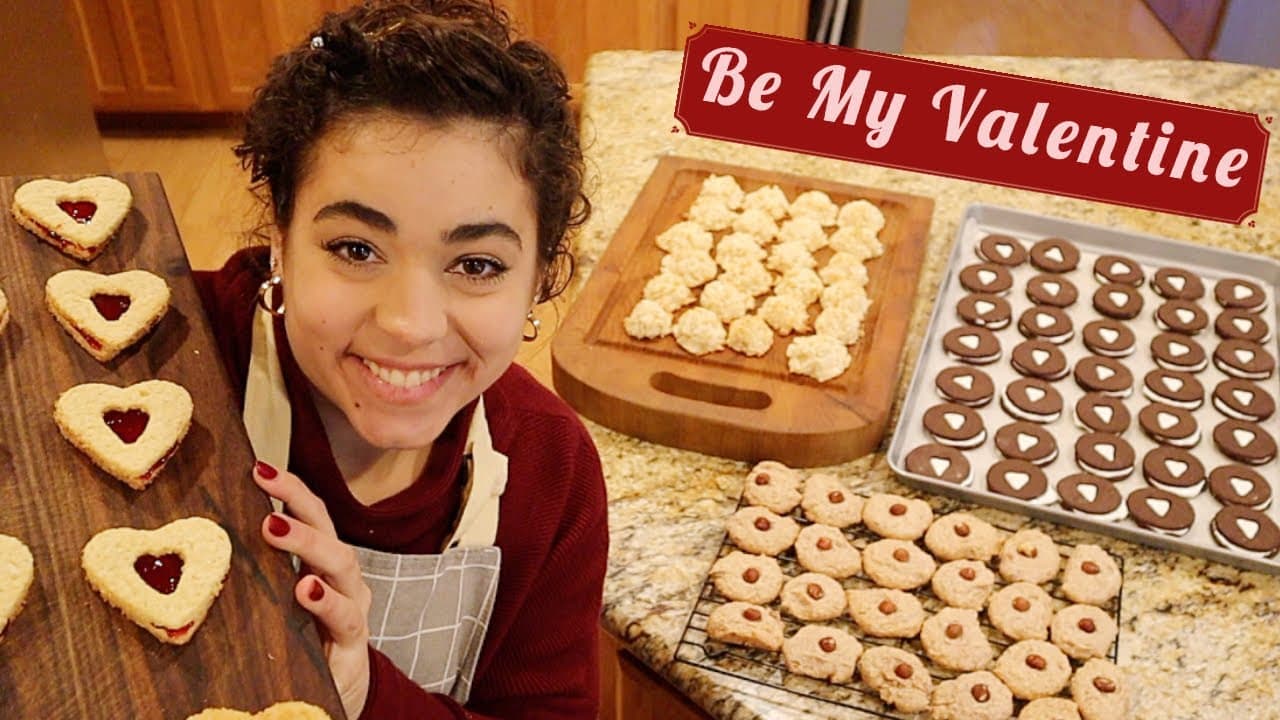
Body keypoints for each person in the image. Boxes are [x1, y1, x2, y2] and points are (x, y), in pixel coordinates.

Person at [192, 1, 608, 718]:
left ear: (540, 276)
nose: (410, 325)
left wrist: (360, 690)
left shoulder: (549, 473)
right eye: (356, 250)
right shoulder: (172, 356)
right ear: (281, 238)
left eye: (476, 264)